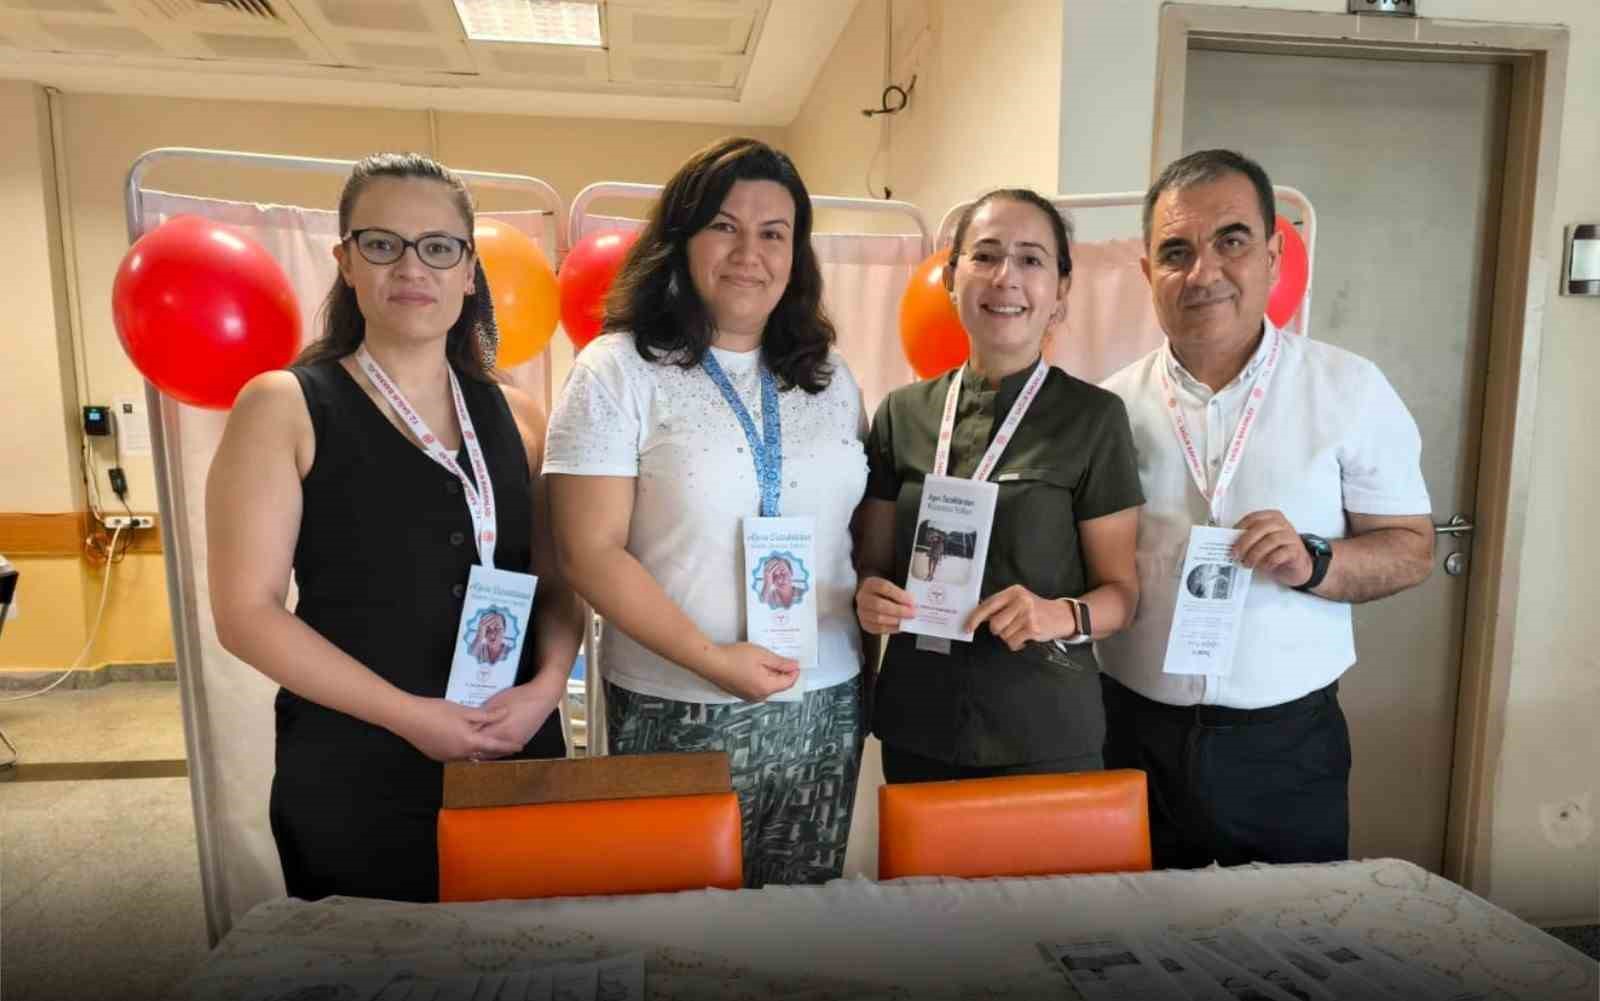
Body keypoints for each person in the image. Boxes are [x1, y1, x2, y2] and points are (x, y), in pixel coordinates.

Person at [207, 152, 586, 902]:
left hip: (513, 745)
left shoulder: (519, 415)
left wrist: (545, 690)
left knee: (525, 949)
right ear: (345, 261)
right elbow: (245, 614)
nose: (413, 267)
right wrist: (411, 717)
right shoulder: (284, 406)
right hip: (356, 765)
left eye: (439, 247)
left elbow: (556, 583)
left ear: (469, 271)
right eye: (383, 243)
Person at [544, 137, 868, 886]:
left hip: (825, 703)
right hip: (675, 701)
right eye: (724, 226)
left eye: (773, 233)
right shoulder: (618, 369)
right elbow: (589, 552)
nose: (749, 253)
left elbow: (846, 535)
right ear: (680, 239)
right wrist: (712, 658)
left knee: (802, 929)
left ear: (797, 254)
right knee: (676, 928)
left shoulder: (830, 377)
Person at [1098, 149, 1434, 869]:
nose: (1204, 272)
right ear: (1147, 272)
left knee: (1291, 931)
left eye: (1232, 241)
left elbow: (1411, 547)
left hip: (1287, 748)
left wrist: (1316, 561)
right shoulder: (1106, 407)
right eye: (1176, 252)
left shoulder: (1349, 389)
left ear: (1274, 256)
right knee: (1131, 929)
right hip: (1130, 737)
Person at [854, 188, 1144, 783]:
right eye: (985, 256)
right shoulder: (901, 414)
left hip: (1044, 729)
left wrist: (1056, 615)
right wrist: (869, 597)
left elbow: (1122, 596)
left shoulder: (1094, 418)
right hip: (919, 725)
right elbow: (871, 569)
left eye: (1031, 259)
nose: (1005, 277)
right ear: (950, 278)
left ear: (1061, 290)